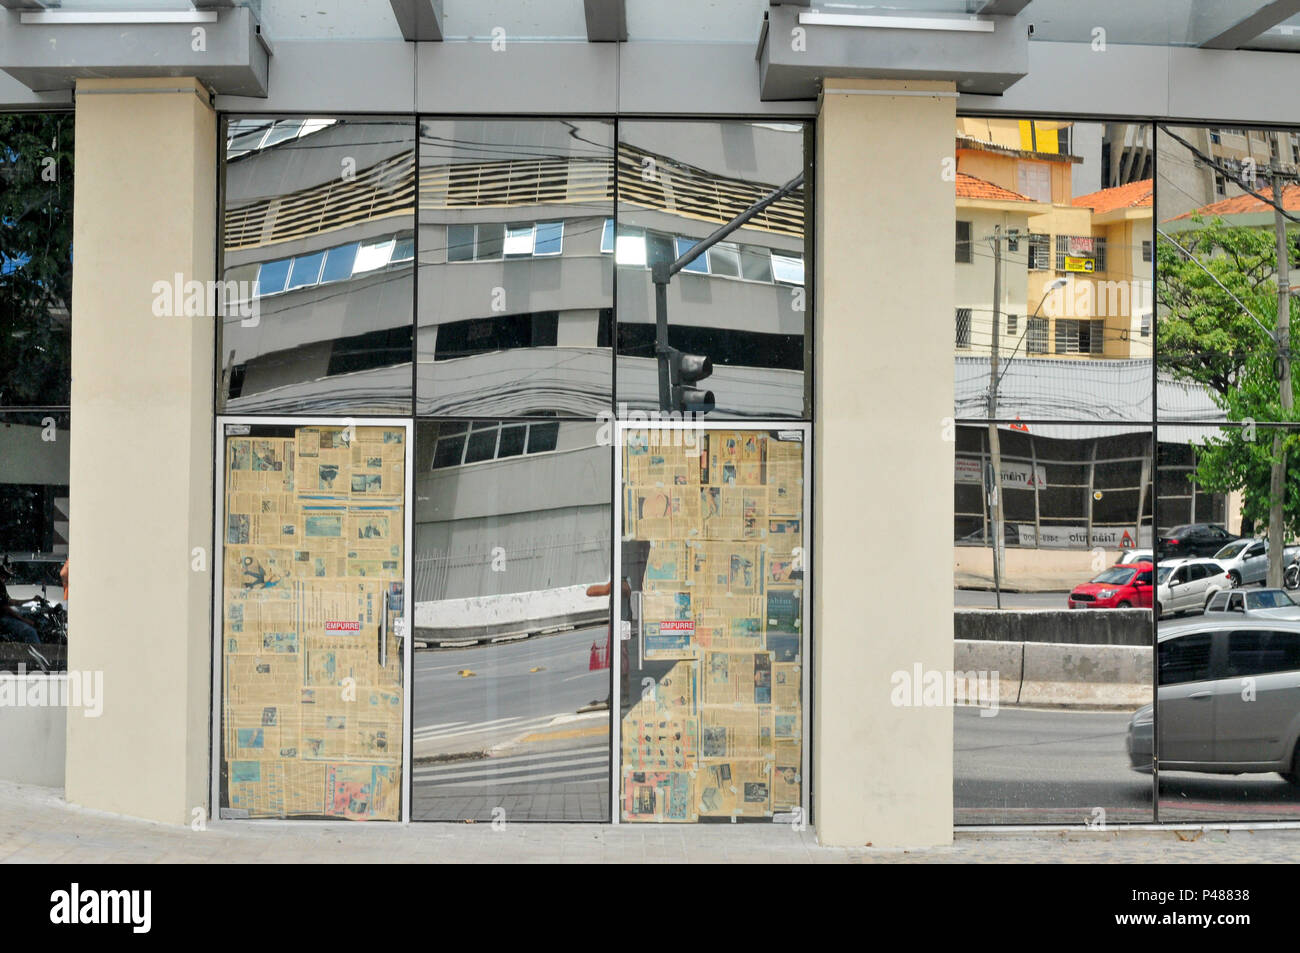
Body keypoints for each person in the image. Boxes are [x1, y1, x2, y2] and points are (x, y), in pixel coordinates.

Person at [0, 560, 40, 645]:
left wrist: (31, 599)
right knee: (30, 631)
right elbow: (5, 607)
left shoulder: (2, 585)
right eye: (9, 567)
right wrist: (24, 620)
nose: (11, 570)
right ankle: (38, 655)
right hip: (2, 618)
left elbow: (11, 602)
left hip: (4, 614)